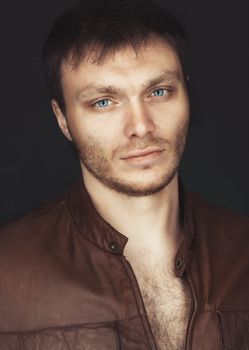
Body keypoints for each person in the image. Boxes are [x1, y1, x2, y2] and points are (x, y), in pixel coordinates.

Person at [0, 0, 248, 349]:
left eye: (159, 92)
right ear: (62, 119)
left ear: (186, 93)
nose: (141, 127)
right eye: (103, 101)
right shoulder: (7, 272)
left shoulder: (243, 248)